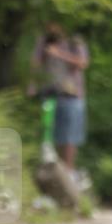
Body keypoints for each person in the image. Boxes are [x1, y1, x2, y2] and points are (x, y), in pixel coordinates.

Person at [28, 22, 89, 174]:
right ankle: (52, 170)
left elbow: (82, 63)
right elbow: (35, 63)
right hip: (49, 94)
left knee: (69, 137)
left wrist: (59, 54)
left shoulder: (74, 41)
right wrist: (32, 85)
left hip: (71, 96)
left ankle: (68, 171)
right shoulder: (44, 41)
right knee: (49, 133)